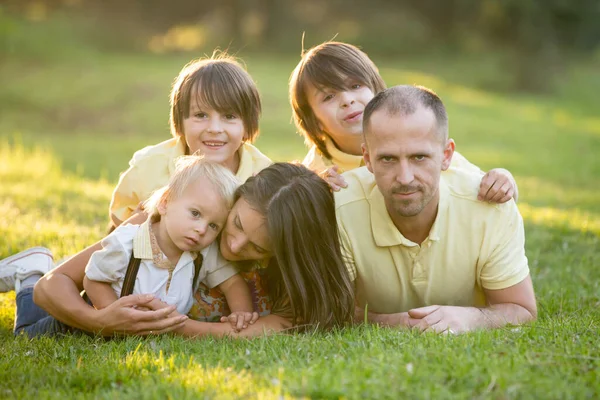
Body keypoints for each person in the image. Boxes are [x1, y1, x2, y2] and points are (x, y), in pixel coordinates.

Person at [2, 163, 354, 337]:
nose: (233, 245)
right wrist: (102, 321)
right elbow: (57, 284)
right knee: (33, 319)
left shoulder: (291, 267)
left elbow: (274, 328)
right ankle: (29, 272)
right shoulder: (170, 226)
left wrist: (170, 326)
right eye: (235, 225)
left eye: (257, 248)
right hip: (84, 304)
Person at [336, 85, 537, 334]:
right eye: (387, 159)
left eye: (419, 157)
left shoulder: (489, 208)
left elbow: (521, 309)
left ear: (446, 155)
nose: (405, 177)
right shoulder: (339, 210)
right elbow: (328, 312)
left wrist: (471, 319)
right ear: (367, 158)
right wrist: (403, 323)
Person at [8, 156, 258, 337]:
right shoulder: (127, 241)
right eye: (195, 213)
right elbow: (93, 280)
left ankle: (33, 272)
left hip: (138, 327)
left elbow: (232, 282)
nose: (202, 229)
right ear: (165, 203)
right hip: (81, 320)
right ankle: (30, 275)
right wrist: (110, 316)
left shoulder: (201, 252)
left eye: (214, 225)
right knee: (27, 333)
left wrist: (241, 313)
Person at [290, 41, 518, 203]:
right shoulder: (318, 168)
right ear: (314, 121)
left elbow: (477, 180)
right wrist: (315, 191)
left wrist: (502, 178)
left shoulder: (414, 140)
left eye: (355, 86)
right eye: (329, 97)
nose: (347, 100)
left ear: (378, 92)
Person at [110, 52, 271, 228]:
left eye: (229, 116)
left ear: (247, 126)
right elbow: (119, 220)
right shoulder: (149, 167)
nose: (214, 129)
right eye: (201, 115)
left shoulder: (263, 175)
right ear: (180, 121)